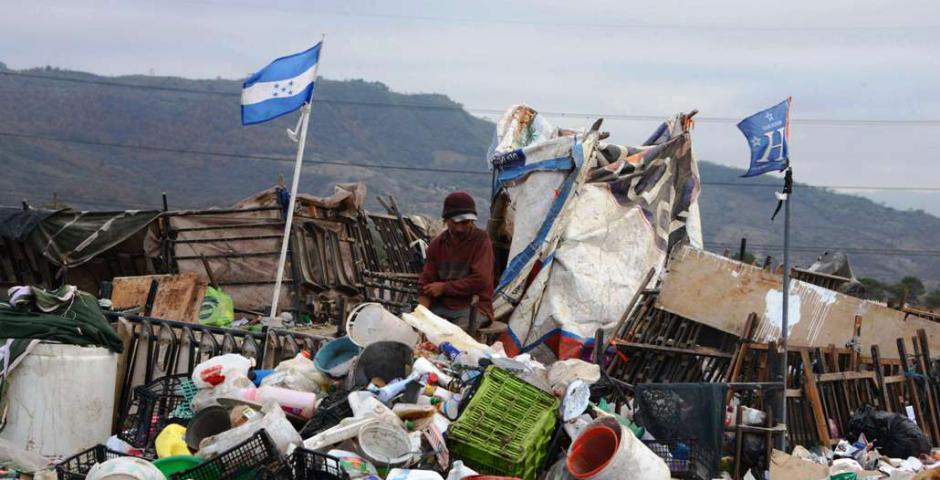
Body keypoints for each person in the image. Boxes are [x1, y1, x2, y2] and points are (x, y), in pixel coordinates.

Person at [418, 191, 494, 330]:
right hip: (442, 307)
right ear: (446, 220)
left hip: (474, 308)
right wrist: (420, 314)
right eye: (455, 223)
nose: (460, 228)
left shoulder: (481, 241)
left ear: (472, 220)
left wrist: (444, 287)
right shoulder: (437, 244)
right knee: (420, 329)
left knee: (454, 335)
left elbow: (480, 280)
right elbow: (426, 283)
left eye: (465, 223)